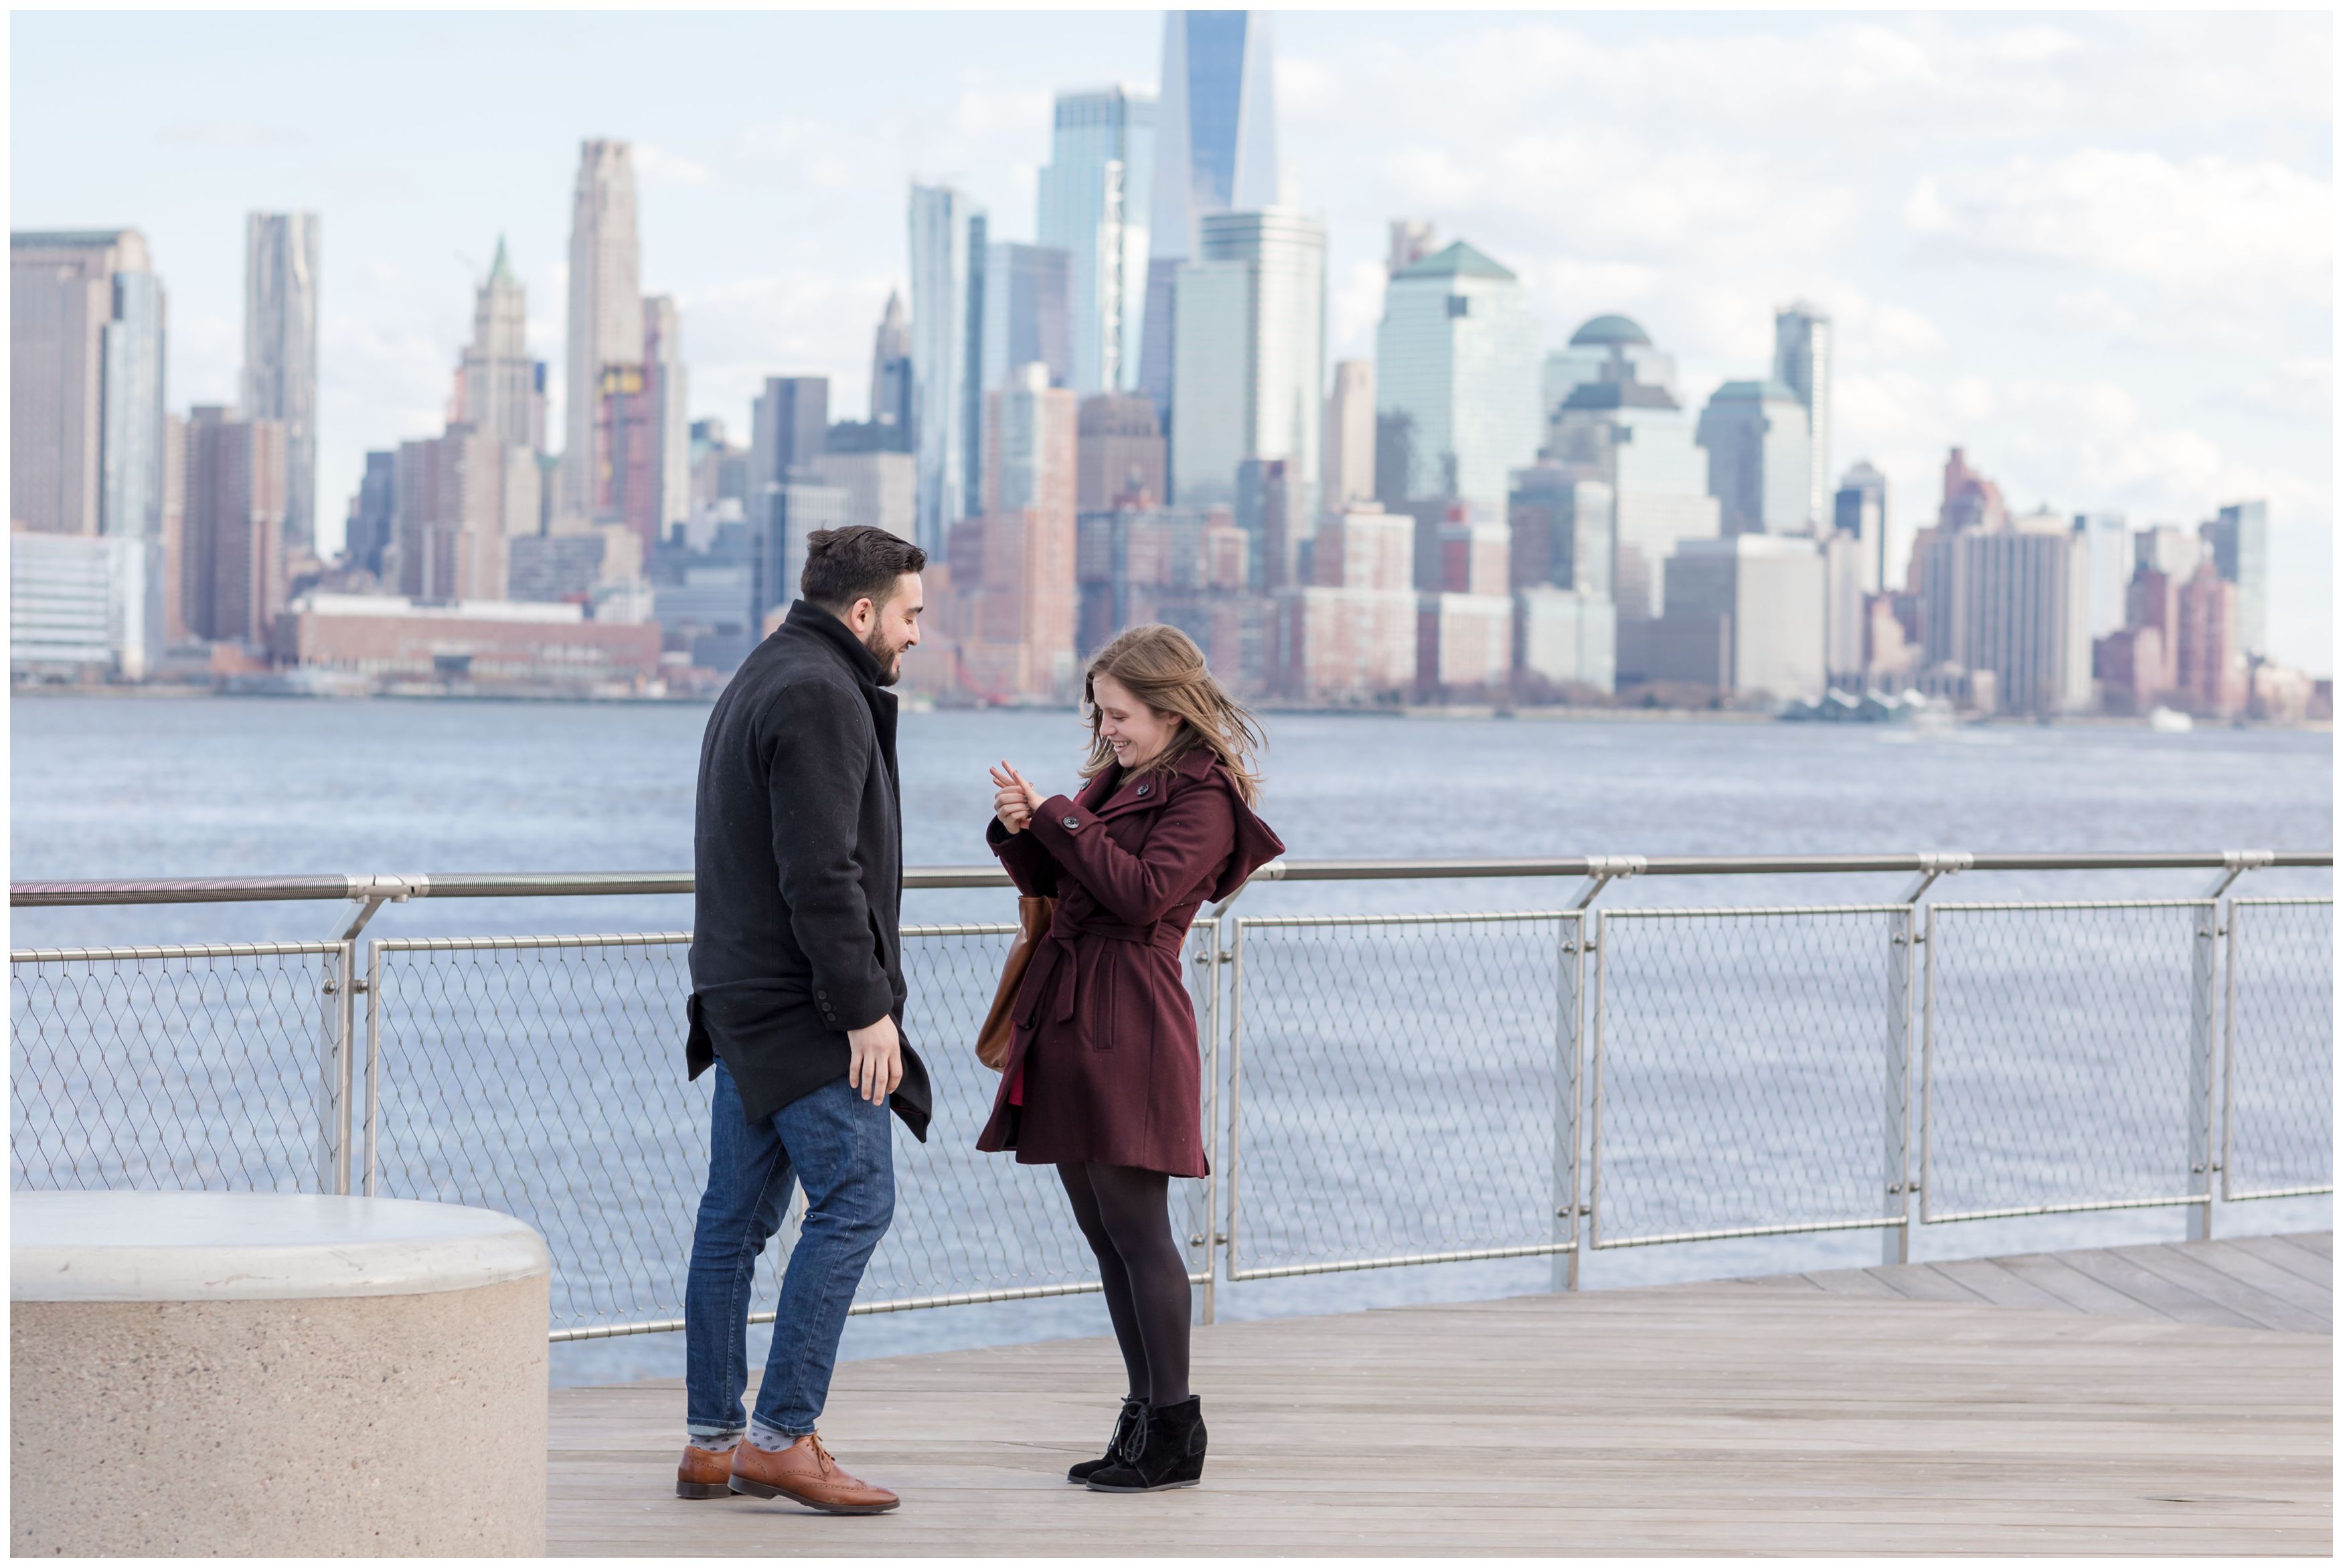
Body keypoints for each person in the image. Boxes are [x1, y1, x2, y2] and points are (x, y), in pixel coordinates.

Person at [978, 624, 1285, 1493]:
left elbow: (1143, 895)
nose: (1105, 728)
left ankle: (1174, 1427)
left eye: (1119, 714)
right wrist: (1024, 833)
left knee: (1139, 1230)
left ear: (1167, 709)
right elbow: (1071, 882)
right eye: (1100, 713)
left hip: (1129, 1020)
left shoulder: (1206, 799)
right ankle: (1142, 1418)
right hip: (1074, 1013)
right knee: (1105, 1234)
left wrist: (1060, 814)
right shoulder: (1121, 783)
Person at [676, 525, 933, 1516]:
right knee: (859, 1197)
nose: (915, 636)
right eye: (909, 615)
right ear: (862, 612)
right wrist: (867, 1012)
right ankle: (780, 1438)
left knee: (733, 1221)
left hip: (740, 995)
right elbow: (822, 873)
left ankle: (711, 1443)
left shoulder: (765, 672)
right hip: (801, 1007)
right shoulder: (822, 695)